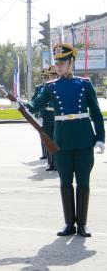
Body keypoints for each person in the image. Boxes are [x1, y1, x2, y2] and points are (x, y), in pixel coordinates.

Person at [23, 44, 105, 237]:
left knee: (83, 182)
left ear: (71, 63)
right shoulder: (51, 87)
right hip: (62, 142)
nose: (58, 66)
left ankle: (82, 224)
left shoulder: (84, 84)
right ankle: (69, 223)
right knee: (65, 182)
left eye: (62, 63)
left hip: (84, 139)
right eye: (57, 63)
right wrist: (22, 103)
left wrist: (100, 138)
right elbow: (36, 104)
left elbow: (96, 113)